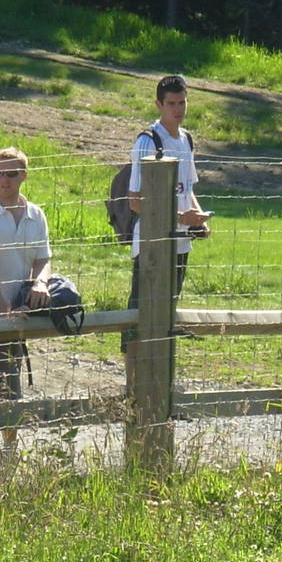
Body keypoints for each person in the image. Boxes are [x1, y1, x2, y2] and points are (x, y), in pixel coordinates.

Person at [123, 74, 210, 392]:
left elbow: (189, 188)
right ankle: (133, 390)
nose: (178, 109)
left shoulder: (185, 139)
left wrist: (197, 219)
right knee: (141, 315)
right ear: (159, 104)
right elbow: (135, 202)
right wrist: (179, 217)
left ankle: (161, 389)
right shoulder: (148, 141)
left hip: (181, 243)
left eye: (182, 102)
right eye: (171, 103)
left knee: (167, 317)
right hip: (152, 245)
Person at [0, 146, 52, 415]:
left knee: (8, 380)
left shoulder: (36, 214)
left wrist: (40, 283)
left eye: (11, 174)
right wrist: (3, 310)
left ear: (24, 176)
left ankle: (1, 451)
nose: (3, 180)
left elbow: (43, 258)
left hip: (18, 312)